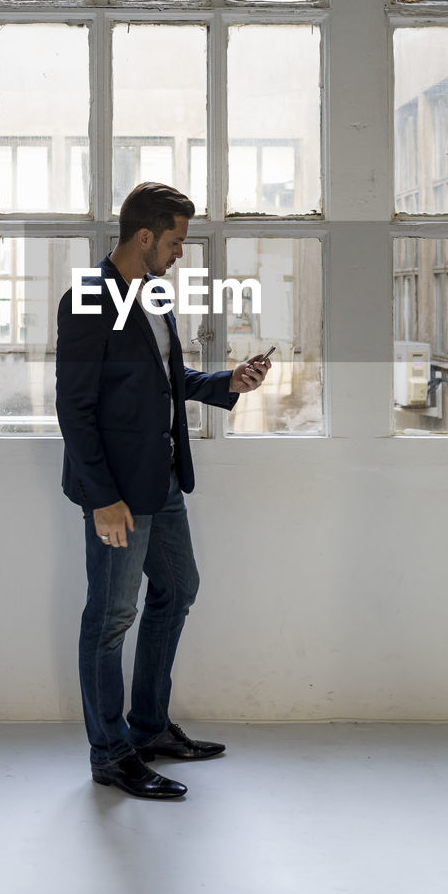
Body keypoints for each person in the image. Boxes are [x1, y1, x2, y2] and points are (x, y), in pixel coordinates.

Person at [55, 181, 271, 799]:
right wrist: (102, 498)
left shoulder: (151, 296)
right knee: (110, 617)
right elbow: (75, 409)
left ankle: (148, 727)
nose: (181, 252)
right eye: (176, 240)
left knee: (177, 589)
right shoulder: (89, 299)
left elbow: (169, 381)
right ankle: (110, 752)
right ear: (144, 236)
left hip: (162, 479)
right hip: (117, 493)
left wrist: (231, 381)